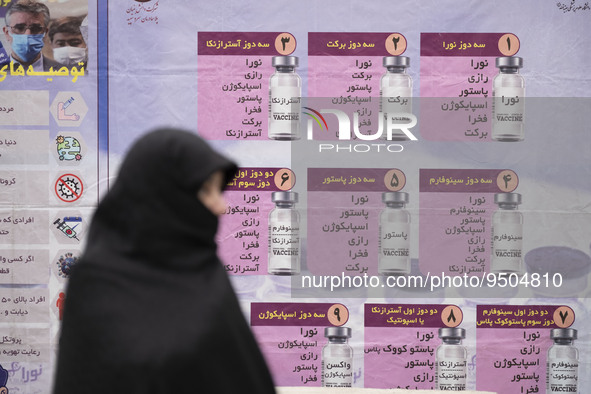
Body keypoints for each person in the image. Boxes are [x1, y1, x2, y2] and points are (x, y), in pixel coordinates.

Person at [52, 128, 276, 393]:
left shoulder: (203, 270)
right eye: (206, 190)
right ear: (161, 196)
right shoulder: (95, 285)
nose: (221, 206)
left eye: (219, 189)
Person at [2, 0, 65, 72]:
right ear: (7, 32)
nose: (27, 35)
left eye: (36, 28)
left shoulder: (65, 72)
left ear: (45, 33)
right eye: (19, 28)